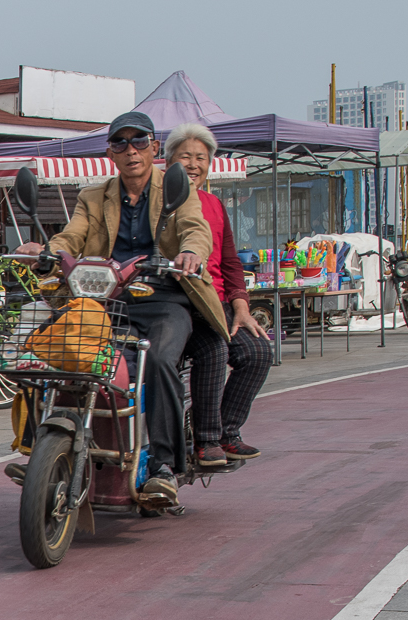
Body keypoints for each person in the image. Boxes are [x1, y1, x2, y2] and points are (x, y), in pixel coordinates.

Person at [15, 111, 230, 505]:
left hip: (165, 298)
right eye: (120, 143)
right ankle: (38, 449)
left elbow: (195, 230)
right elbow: (72, 235)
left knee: (162, 360)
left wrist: (189, 252)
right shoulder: (93, 196)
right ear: (111, 153)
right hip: (106, 299)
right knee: (47, 351)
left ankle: (164, 466)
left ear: (152, 147)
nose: (130, 150)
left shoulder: (177, 189)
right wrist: (50, 252)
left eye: (138, 141)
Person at [165, 123, 272, 460]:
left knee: (258, 353)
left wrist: (241, 308)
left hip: (219, 303)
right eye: (185, 157)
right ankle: (205, 438)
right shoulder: (160, 202)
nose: (194, 165)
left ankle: (226, 430)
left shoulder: (214, 204)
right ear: (169, 162)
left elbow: (230, 262)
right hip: (179, 302)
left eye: (201, 158)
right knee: (213, 352)